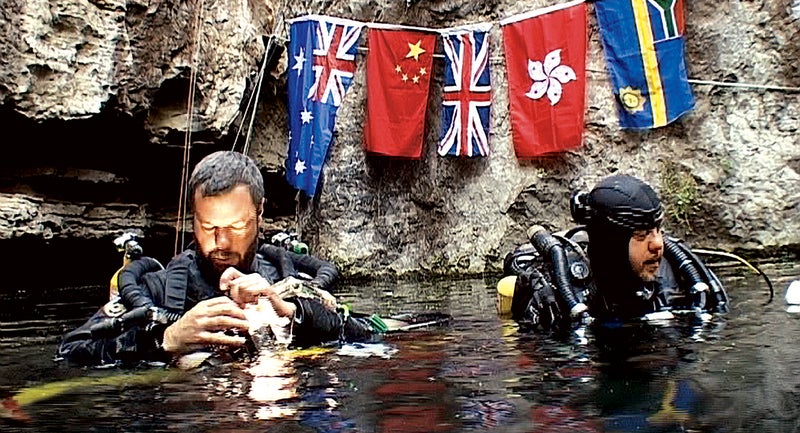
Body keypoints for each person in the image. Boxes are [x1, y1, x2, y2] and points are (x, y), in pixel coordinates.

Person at [57, 151, 381, 367]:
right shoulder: (158, 291)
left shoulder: (287, 281)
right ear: (192, 218)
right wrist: (167, 339)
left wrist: (296, 315)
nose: (220, 243)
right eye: (208, 226)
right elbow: (70, 352)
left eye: (237, 226)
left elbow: (366, 332)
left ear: (260, 212)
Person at [502, 173, 729, 331]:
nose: (658, 244)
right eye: (642, 235)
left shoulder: (680, 276)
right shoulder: (561, 295)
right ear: (612, 243)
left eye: (658, 230)